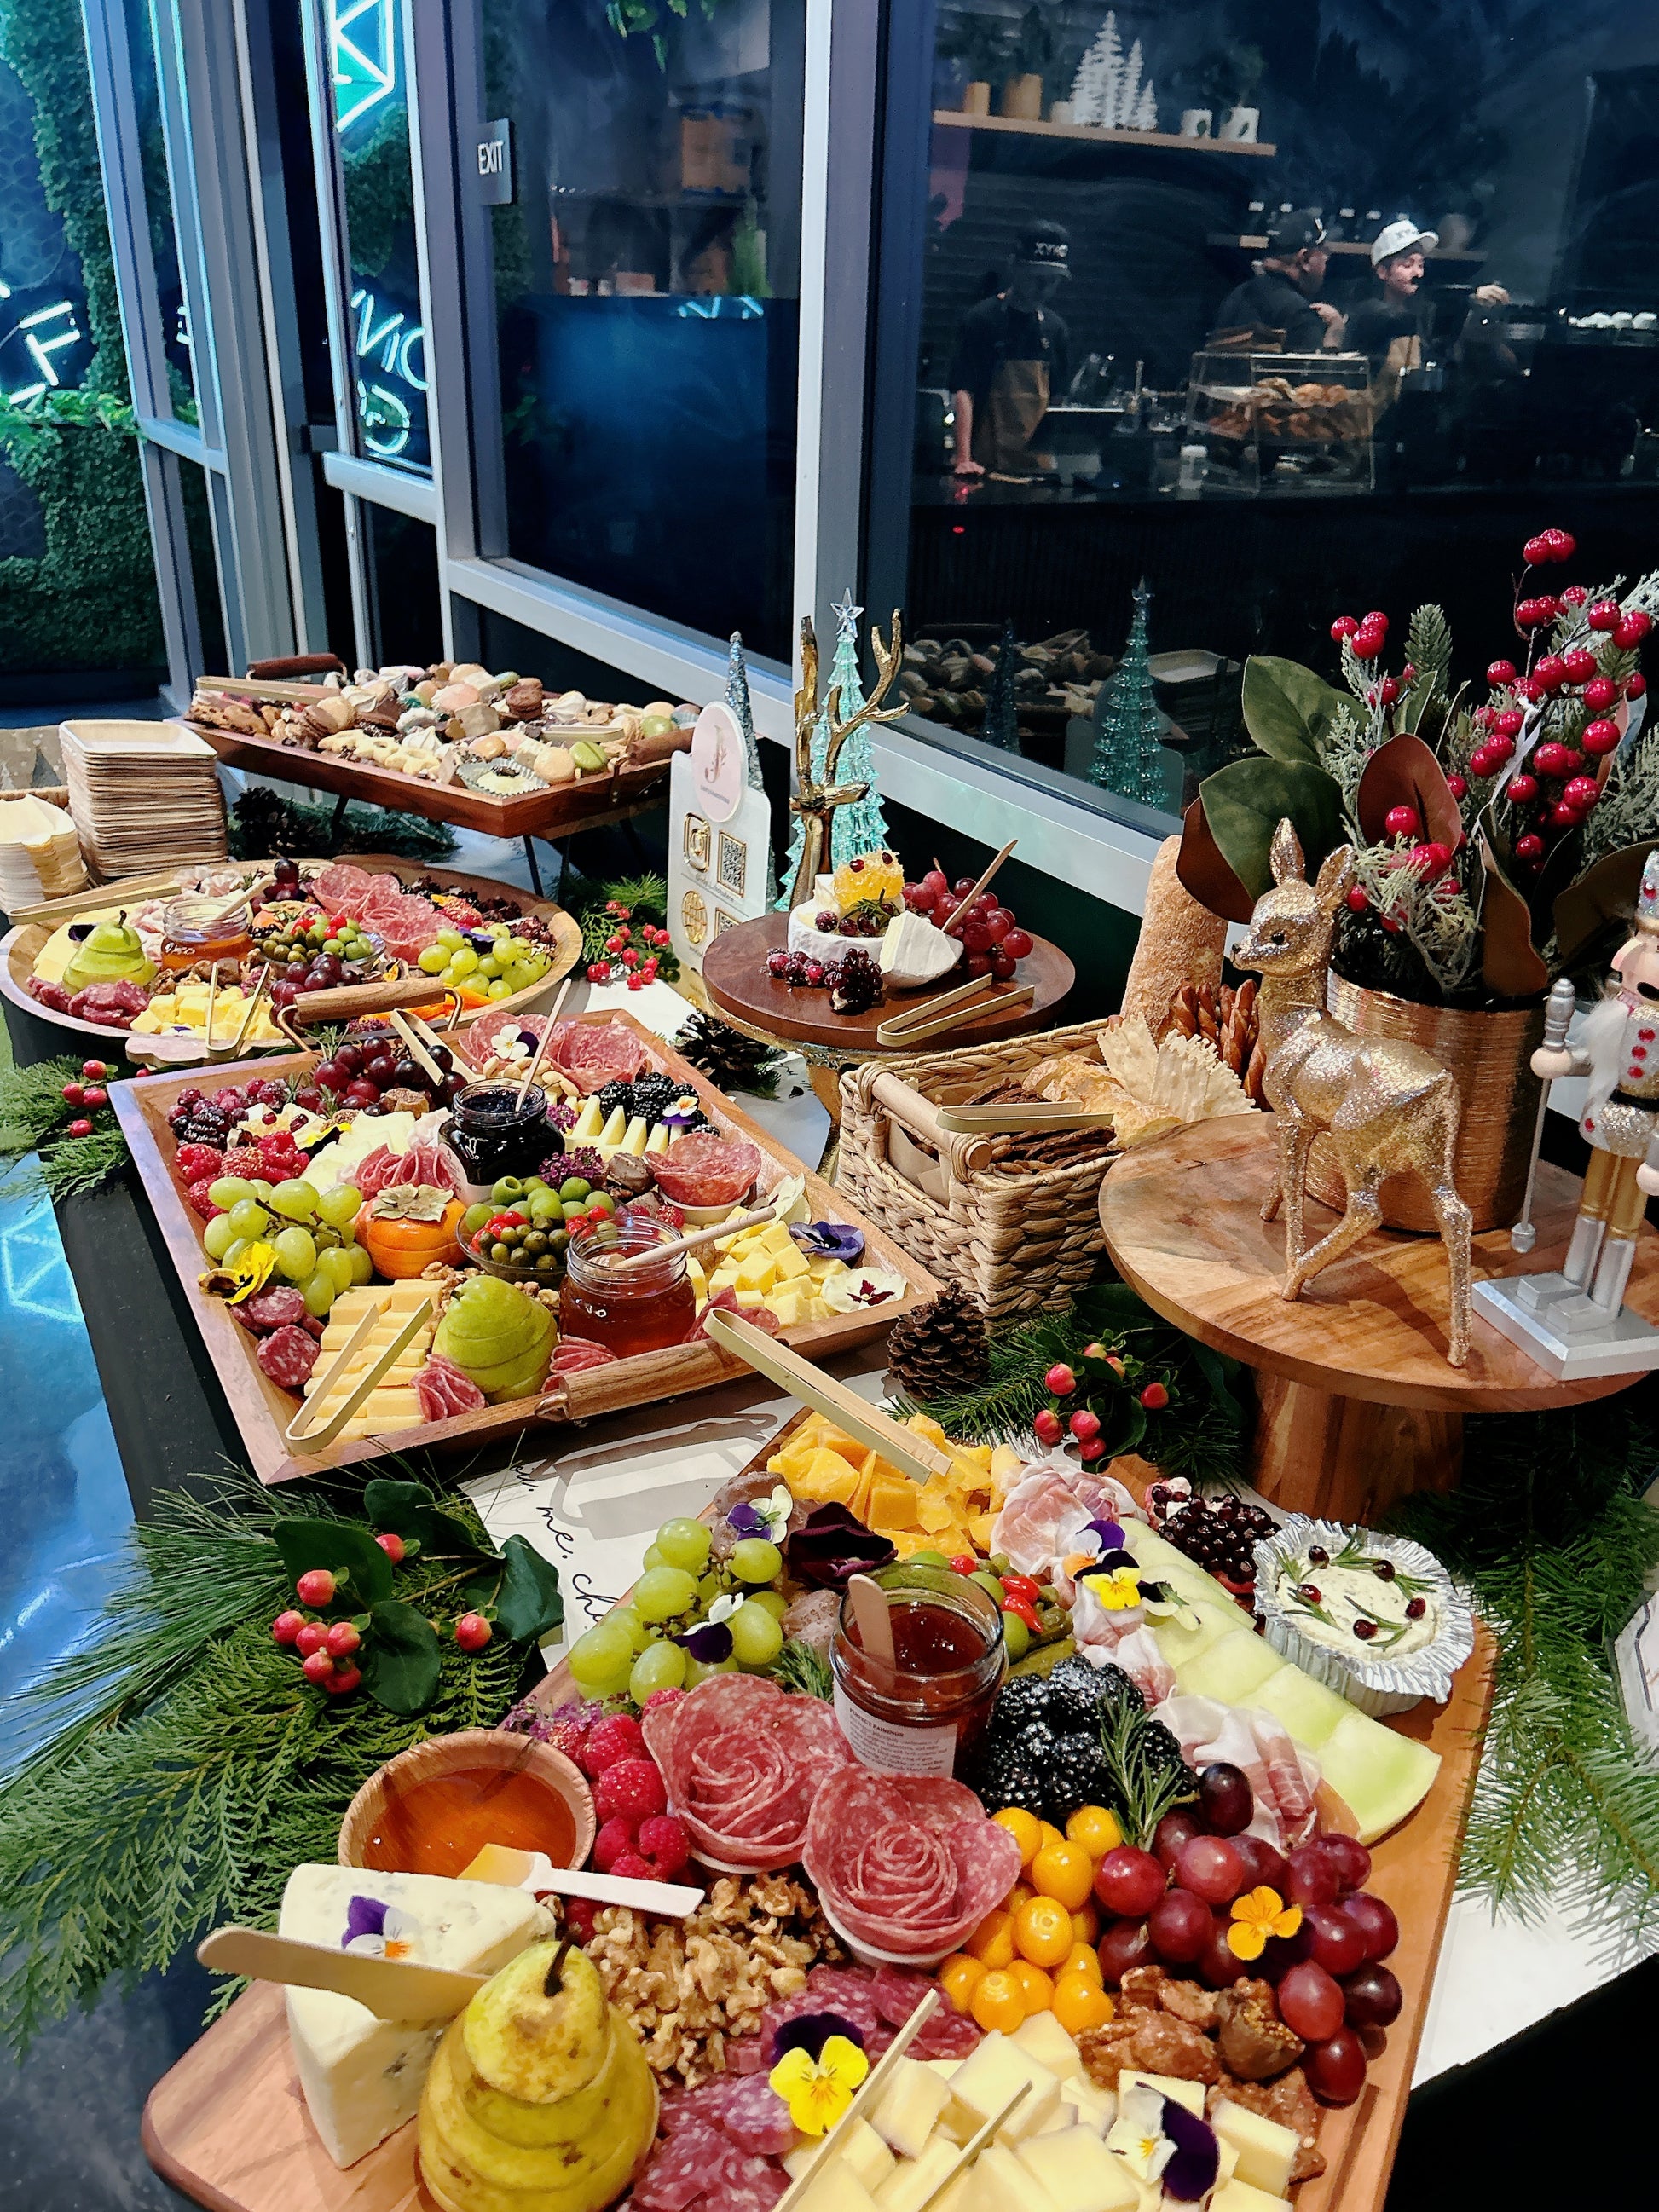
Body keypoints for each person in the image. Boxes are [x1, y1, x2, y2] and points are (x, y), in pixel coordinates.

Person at [1532, 850, 1659, 1314]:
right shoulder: (1621, 1011)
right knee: (1591, 1200)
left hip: (1648, 1133)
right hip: (1607, 1116)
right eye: (1638, 938)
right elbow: (1598, 1057)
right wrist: (1565, 1060)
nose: (1626, 957)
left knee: (1627, 1214)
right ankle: (1574, 1278)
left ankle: (1605, 1297)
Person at [950, 220, 1072, 476]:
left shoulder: (1056, 329)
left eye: (1052, 280)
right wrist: (963, 458)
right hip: (984, 466)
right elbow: (964, 391)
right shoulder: (982, 320)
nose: (1044, 288)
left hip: (1039, 469)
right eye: (1036, 278)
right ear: (1014, 267)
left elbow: (1058, 402)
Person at [1344, 219, 1512, 368]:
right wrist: (1470, 298)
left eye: (1421, 265)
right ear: (1382, 271)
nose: (1418, 274)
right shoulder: (1366, 313)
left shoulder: (1423, 319)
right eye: (1407, 265)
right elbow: (1395, 320)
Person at [1211, 210, 1344, 353]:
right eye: (1324, 254)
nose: (1326, 262)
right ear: (1305, 259)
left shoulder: (1236, 296)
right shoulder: (1299, 315)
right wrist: (1335, 331)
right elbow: (1315, 368)